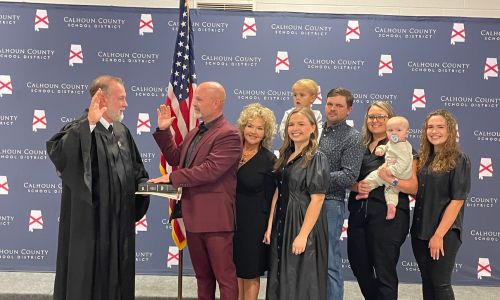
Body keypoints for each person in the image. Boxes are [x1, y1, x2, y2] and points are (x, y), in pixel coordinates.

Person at [46, 75, 150, 300]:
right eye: (121, 98)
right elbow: (60, 155)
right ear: (101, 98)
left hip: (119, 226)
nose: (126, 104)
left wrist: (147, 185)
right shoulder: (79, 129)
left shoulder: (122, 131)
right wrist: (89, 125)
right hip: (91, 228)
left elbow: (136, 171)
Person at [149, 81, 241, 300]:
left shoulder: (229, 134)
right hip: (194, 217)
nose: (194, 103)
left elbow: (210, 171)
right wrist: (163, 131)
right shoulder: (194, 132)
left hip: (216, 220)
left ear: (217, 103)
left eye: (199, 99)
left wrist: (171, 178)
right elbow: (175, 158)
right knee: (203, 277)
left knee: (225, 278)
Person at [347, 101, 418, 300]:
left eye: (381, 117)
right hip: (358, 216)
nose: (375, 121)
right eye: (371, 117)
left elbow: (413, 187)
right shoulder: (357, 146)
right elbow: (347, 178)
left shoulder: (401, 146)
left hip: (388, 219)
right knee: (359, 267)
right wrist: (354, 187)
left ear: (390, 120)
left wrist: (392, 180)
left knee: (384, 272)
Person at [264, 107, 330, 300]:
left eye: (301, 124)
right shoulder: (286, 155)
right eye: (291, 124)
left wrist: (302, 235)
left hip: (302, 223)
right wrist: (270, 226)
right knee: (281, 278)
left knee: (301, 280)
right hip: (282, 224)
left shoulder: (317, 158)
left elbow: (317, 199)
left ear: (312, 128)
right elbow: (278, 191)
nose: (295, 128)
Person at [411, 109, 471, 299]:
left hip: (444, 233)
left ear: (450, 131)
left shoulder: (459, 159)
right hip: (420, 231)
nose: (434, 131)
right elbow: (416, 190)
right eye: (430, 127)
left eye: (440, 127)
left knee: (440, 283)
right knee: (427, 282)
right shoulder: (424, 159)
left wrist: (438, 235)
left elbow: (457, 200)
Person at [318, 87, 364, 300]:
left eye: (339, 105)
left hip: (330, 204)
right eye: (330, 104)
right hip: (303, 203)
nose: (333, 109)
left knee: (329, 262)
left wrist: (313, 176)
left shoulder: (353, 138)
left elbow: (348, 177)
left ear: (349, 110)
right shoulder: (314, 130)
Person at [233, 103, 277, 300]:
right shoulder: (231, 152)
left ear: (265, 133)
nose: (253, 132)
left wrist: (269, 228)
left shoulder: (269, 160)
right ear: (243, 127)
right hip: (229, 221)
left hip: (254, 224)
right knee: (235, 271)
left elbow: (273, 199)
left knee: (250, 273)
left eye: (260, 128)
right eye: (250, 126)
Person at [356, 116, 413, 220]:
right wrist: (381, 149)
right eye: (390, 130)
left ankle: (367, 192)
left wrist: (390, 172)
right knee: (390, 190)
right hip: (391, 173)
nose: (394, 133)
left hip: (398, 173)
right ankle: (390, 205)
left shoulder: (403, 147)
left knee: (378, 178)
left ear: (406, 133)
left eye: (398, 130)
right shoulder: (392, 142)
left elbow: (404, 163)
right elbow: (386, 147)